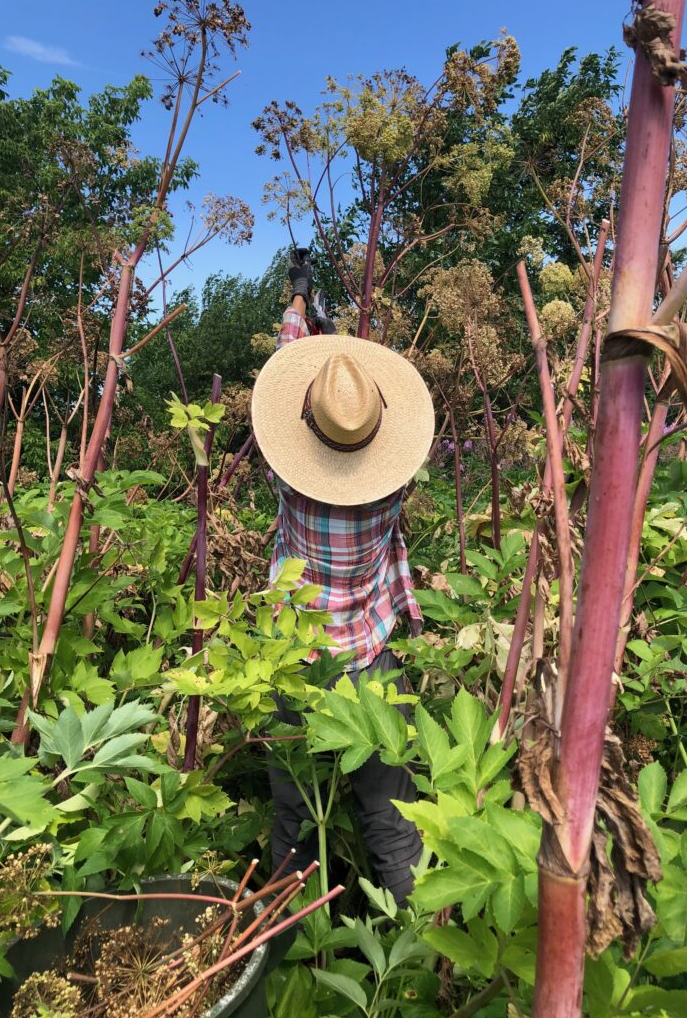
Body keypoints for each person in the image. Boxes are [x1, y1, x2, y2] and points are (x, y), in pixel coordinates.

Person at [250, 249, 435, 906]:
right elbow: (356, 405)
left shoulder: (290, 485)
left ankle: (282, 947)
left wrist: (299, 301)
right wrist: (336, 326)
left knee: (295, 820)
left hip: (293, 661)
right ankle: (423, 962)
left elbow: (293, 368)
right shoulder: (393, 488)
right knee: (393, 819)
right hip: (369, 664)